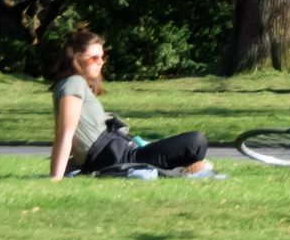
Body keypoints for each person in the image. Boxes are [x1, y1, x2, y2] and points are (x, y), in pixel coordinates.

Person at [45, 30, 211, 179]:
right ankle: (185, 168)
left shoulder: (72, 84)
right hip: (119, 157)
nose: (100, 62)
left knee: (189, 143)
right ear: (76, 57)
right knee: (196, 141)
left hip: (119, 152)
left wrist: (69, 167)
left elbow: (68, 136)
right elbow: (65, 133)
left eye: (102, 57)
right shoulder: (74, 83)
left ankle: (184, 167)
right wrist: (56, 177)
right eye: (94, 57)